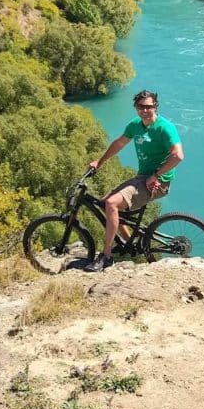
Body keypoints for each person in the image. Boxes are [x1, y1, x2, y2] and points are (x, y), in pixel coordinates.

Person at [85, 89, 184, 272]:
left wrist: (156, 175)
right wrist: (99, 162)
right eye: (141, 107)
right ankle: (126, 242)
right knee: (104, 203)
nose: (145, 110)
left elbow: (178, 156)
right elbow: (119, 143)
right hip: (142, 178)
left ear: (156, 106)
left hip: (157, 182)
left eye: (149, 107)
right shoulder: (135, 125)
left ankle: (106, 256)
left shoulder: (165, 127)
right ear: (136, 108)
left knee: (111, 204)